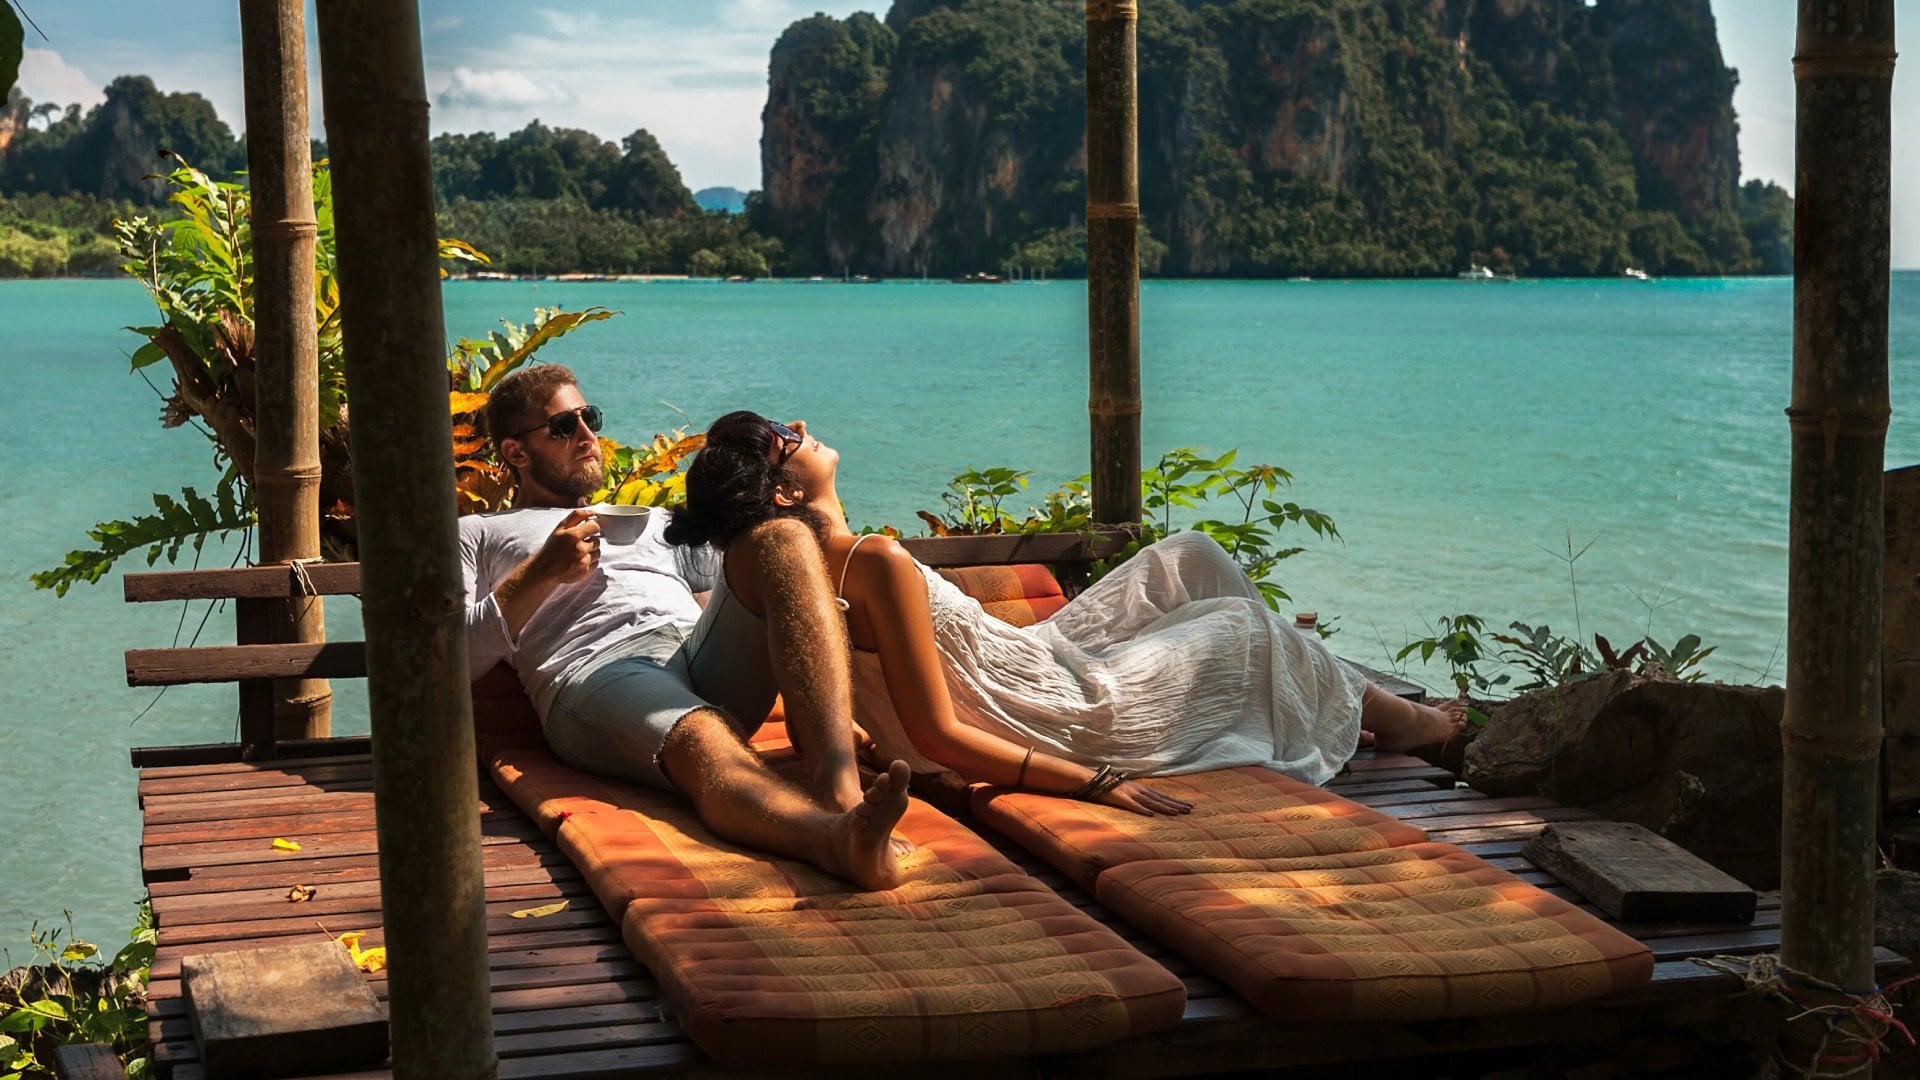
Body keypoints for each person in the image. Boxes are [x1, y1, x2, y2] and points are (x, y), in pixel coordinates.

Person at [665, 411, 1468, 817]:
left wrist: (870, 737)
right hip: (1048, 708)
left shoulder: (811, 574)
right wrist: (1096, 781)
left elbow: (820, 723)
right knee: (1245, 629)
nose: (800, 428)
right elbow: (941, 735)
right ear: (785, 492)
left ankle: (1316, 700)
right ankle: (1407, 723)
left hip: (1027, 658)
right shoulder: (865, 561)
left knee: (1189, 554)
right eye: (783, 437)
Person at [460, 367, 909, 890]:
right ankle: (832, 839)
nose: (588, 436)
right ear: (516, 453)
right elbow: (447, 659)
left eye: (591, 418)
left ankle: (842, 795)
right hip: (599, 670)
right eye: (565, 427)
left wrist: (785, 464)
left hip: (695, 650)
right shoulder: (479, 533)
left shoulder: (650, 519)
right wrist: (539, 574)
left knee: (782, 536)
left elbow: (773, 585)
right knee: (700, 732)